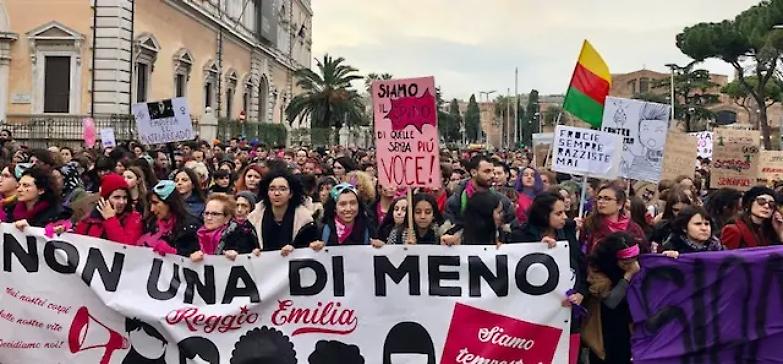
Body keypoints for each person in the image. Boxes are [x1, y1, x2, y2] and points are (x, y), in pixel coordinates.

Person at [507, 192, 586, 364]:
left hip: (566, 312)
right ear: (544, 215)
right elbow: (513, 272)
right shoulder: (521, 235)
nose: (564, 217)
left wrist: (580, 292)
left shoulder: (567, 230)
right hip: (535, 315)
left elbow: (580, 264)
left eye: (564, 212)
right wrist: (538, 250)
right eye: (558, 214)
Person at [586, 232, 640, 364]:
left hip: (627, 325)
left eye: (634, 261)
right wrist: (628, 276)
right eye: (626, 263)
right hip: (604, 326)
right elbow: (611, 302)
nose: (631, 265)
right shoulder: (597, 269)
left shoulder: (636, 263)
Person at [247, 170, 318, 255]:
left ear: (291, 193)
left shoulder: (306, 221)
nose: (276, 193)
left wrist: (296, 248)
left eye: (283, 189)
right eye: (272, 189)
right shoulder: (253, 219)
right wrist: (253, 251)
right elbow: (245, 247)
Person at [136, 180, 201, 258]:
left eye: (156, 203)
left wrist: (173, 253)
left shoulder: (190, 227)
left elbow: (194, 258)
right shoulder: (151, 222)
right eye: (151, 204)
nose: (152, 209)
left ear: (170, 203)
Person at [74, 173, 143, 244]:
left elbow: (125, 246)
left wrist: (111, 220)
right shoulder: (89, 220)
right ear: (104, 199)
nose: (122, 202)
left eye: (125, 197)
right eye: (116, 197)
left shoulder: (134, 219)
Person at [191, 193, 260, 262]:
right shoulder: (194, 234)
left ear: (227, 218)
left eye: (215, 214)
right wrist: (190, 257)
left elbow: (251, 258)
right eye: (206, 213)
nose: (209, 218)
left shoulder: (240, 235)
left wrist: (239, 256)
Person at [582, 183, 647, 253]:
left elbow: (643, 251)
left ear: (620, 204)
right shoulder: (589, 224)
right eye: (599, 198)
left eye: (607, 199)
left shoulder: (633, 229)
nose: (601, 202)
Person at [311, 183, 376, 249]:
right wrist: (314, 247)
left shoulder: (368, 228)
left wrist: (379, 246)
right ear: (334, 208)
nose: (348, 209)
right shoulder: (322, 230)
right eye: (342, 204)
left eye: (353, 203)